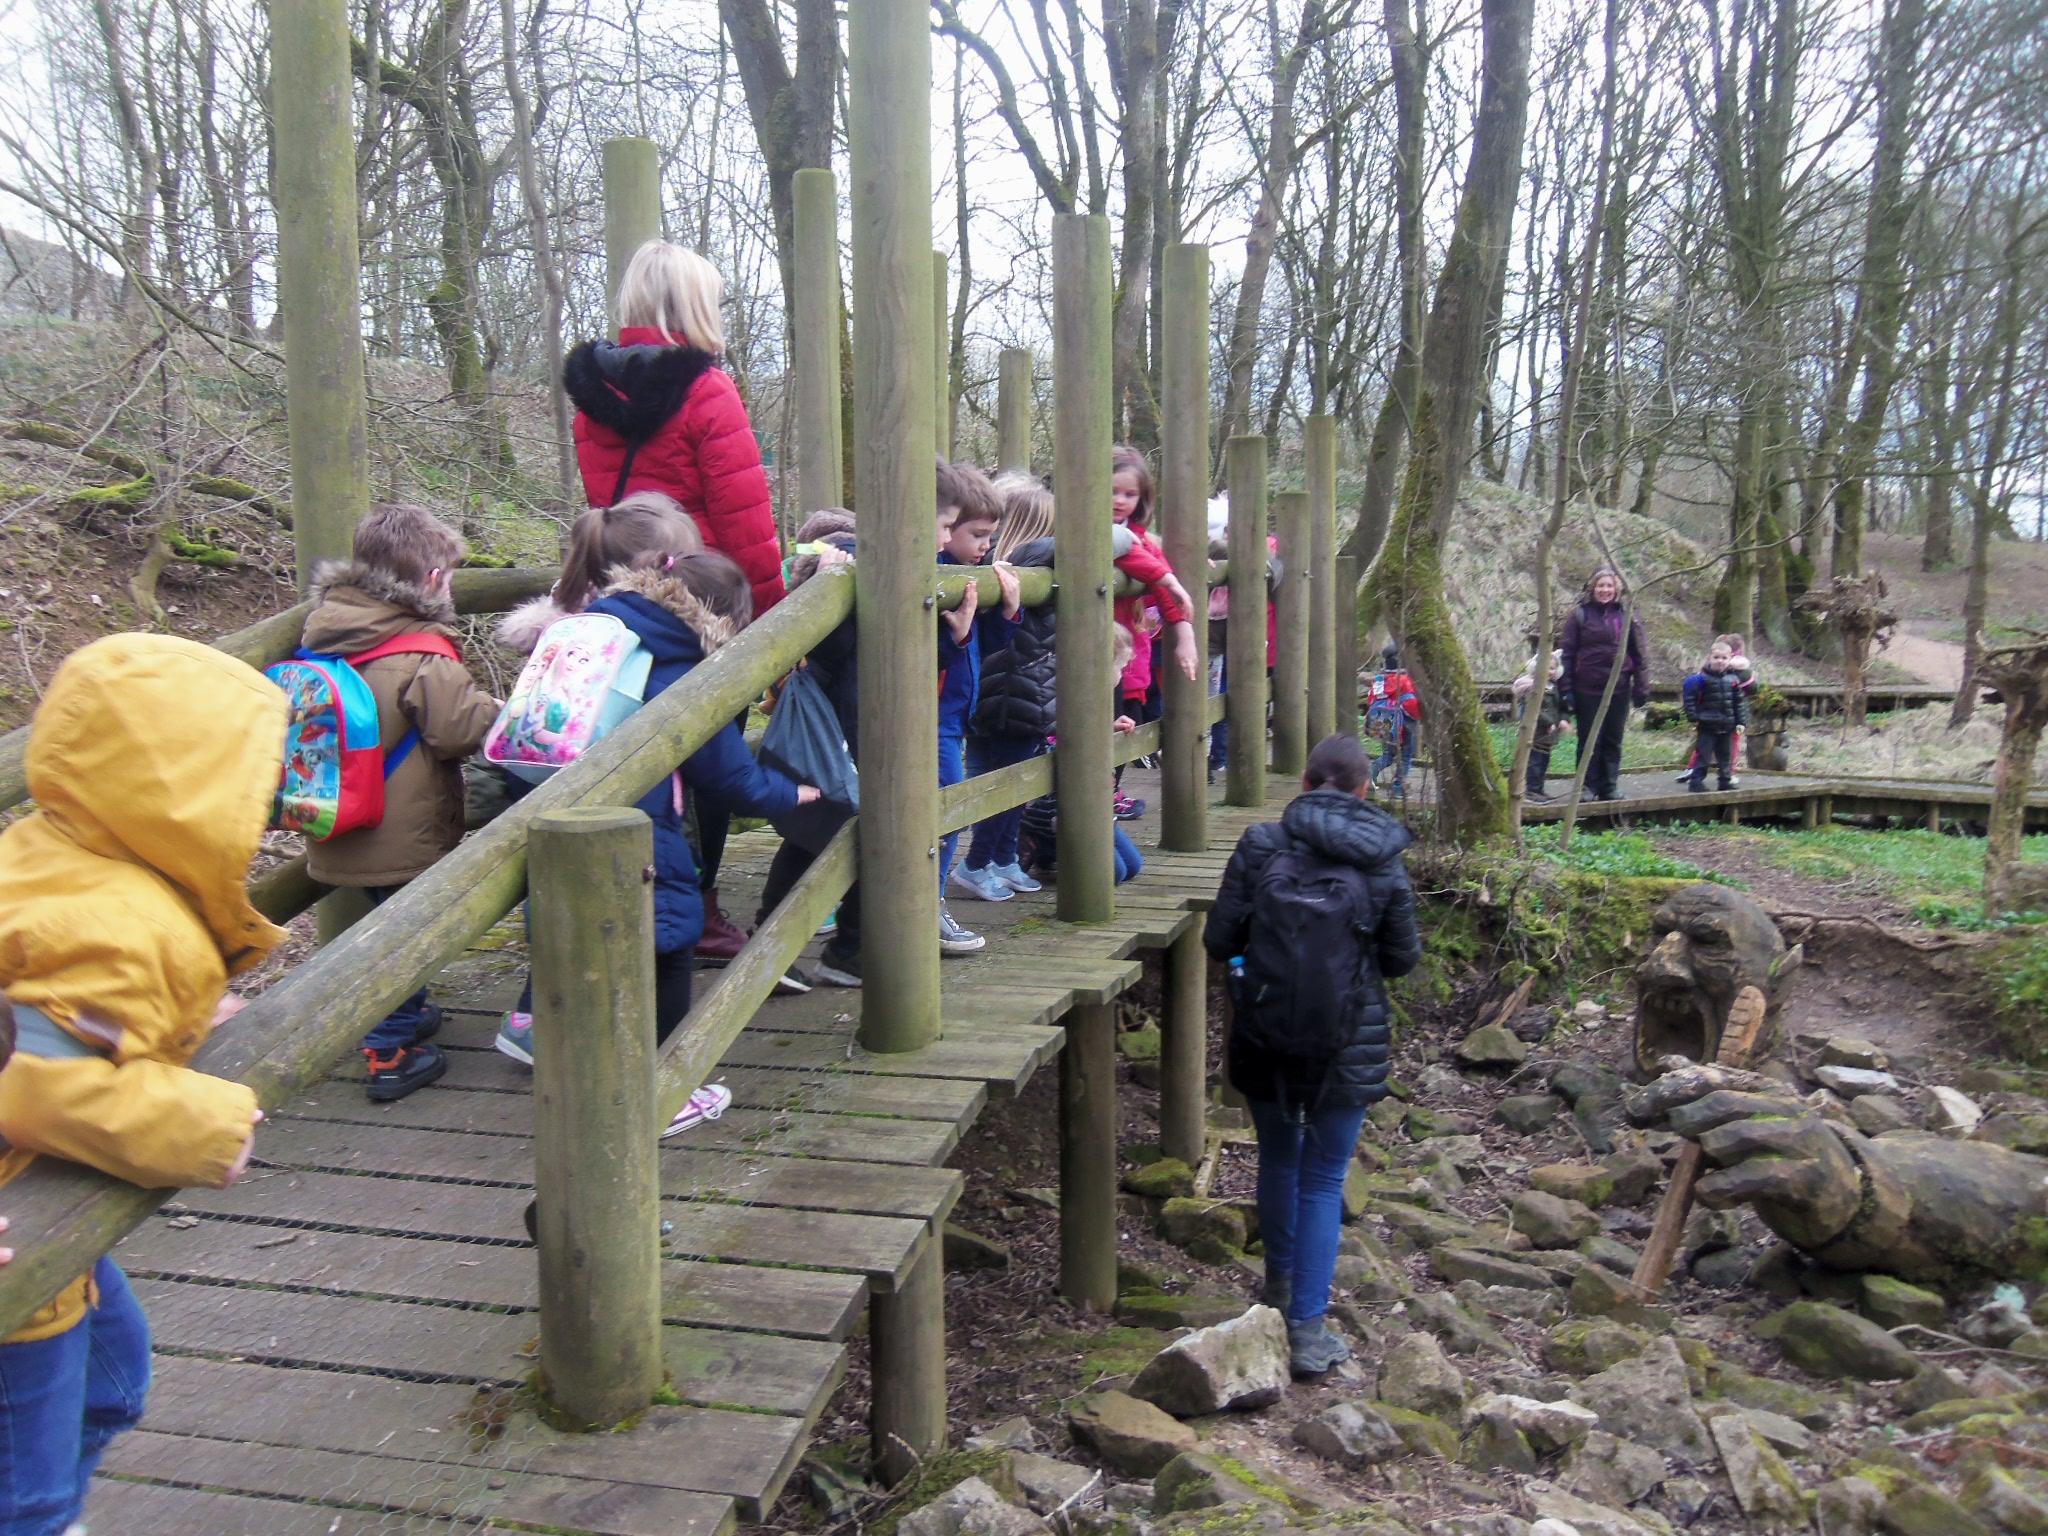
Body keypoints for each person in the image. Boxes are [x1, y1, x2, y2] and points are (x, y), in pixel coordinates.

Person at [0, 635, 276, 1533]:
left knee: (113, 1386)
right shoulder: (114, 923)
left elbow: (71, 1023)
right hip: (19, 1244)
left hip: (44, 1223)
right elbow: (33, 1082)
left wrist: (173, 1026)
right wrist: (203, 1125)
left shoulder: (54, 849)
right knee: (26, 1490)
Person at [495, 516, 819, 1133]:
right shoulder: (675, 664)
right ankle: (662, 1091)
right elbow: (729, 776)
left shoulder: (604, 627)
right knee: (670, 941)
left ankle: (564, 1055)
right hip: (635, 821)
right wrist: (792, 793)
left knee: (574, 935)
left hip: (546, 800)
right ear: (722, 621)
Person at [564, 239, 786, 963]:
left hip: (624, 592)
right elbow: (746, 523)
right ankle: (701, 900)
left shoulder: (593, 399)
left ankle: (644, 892)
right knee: (709, 755)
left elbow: (609, 504)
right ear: (694, 305)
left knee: (638, 748)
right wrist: (776, 626)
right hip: (702, 602)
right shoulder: (707, 390)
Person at [1204, 733, 1420, 1379]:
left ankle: (1277, 1291)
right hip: (1347, 1043)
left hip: (1266, 1030)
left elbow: (1219, 938)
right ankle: (1307, 1329)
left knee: (1279, 1159)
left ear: (1303, 782)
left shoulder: (1260, 844)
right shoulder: (1382, 859)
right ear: (1364, 790)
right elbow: (1401, 960)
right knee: (1324, 1178)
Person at [302, 503, 502, 1102]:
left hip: (336, 821)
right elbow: (458, 731)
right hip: (400, 833)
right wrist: (497, 709)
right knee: (403, 941)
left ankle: (404, 1014)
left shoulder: (324, 631)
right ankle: (389, 1049)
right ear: (434, 580)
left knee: (386, 928)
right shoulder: (421, 653)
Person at [762, 511, 865, 989]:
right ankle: (775, 947)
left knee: (840, 837)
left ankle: (848, 948)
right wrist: (829, 587)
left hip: (860, 737)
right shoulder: (832, 596)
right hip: (834, 737)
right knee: (813, 836)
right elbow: (832, 647)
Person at [956, 475, 1056, 902]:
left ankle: (1002, 857)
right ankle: (976, 863)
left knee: (1008, 785)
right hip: (1016, 696)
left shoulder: (1002, 564)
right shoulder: (1034, 559)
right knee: (1004, 787)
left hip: (1005, 693)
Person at [937, 460, 1018, 925]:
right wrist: (959, 635)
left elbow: (980, 648)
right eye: (978, 535)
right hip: (935, 718)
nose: (986, 546)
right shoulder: (938, 576)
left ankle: (929, 902)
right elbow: (935, 653)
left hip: (954, 717)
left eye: (991, 536)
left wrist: (1005, 614)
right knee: (946, 810)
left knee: (949, 807)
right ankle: (930, 905)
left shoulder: (972, 576)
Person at [1110, 446, 1198, 819]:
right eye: (1112, 491)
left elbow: (1157, 574)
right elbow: (1135, 558)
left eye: (1129, 494)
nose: (1120, 500)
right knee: (1107, 723)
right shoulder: (1096, 533)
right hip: (1100, 655)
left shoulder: (1140, 538)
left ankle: (1111, 790)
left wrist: (1185, 633)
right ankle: (1100, 795)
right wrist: (1169, 580)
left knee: (1128, 722)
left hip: (1129, 656)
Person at [1558, 564, 1650, 802]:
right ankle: (1586, 787)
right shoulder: (1580, 615)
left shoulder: (1626, 615)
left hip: (1619, 688)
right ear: (1592, 588)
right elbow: (1566, 654)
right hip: (1587, 689)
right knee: (1589, 739)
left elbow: (1639, 653)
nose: (1605, 590)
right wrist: (1566, 689)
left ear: (1616, 588)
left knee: (1612, 739)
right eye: (1600, 585)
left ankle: (1609, 786)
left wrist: (1641, 687)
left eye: (1609, 585)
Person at [1677, 633, 1754, 787]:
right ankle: (1696, 782)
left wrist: (1741, 721)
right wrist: (1693, 717)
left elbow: (1738, 702)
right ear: (1709, 658)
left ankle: (1725, 781)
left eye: (1724, 658)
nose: (1720, 661)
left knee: (1725, 756)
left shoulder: (1733, 680)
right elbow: (1689, 699)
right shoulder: (1700, 679)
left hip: (1727, 724)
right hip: (1707, 724)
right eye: (1716, 657)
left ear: (1730, 659)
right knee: (1703, 755)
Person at [1510, 647, 1573, 803]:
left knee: (1544, 761)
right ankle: (1531, 790)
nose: (1549, 672)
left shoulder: (1553, 687)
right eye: (1545, 668)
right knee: (1534, 761)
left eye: (1552, 668)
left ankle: (1539, 789)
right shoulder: (1531, 687)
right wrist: (1549, 722)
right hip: (1535, 732)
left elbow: (1560, 707)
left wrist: (1563, 720)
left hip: (1549, 734)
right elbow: (1533, 709)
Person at [1367, 643, 1421, 793]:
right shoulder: (1405, 680)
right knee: (1405, 756)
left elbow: (1370, 700)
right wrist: (1417, 716)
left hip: (1383, 724)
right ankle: (1398, 787)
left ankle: (1371, 772)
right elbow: (1411, 704)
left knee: (1388, 755)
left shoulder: (1379, 680)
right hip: (1404, 725)